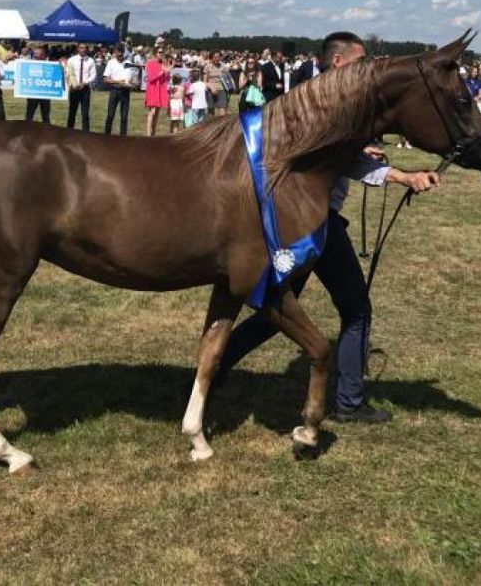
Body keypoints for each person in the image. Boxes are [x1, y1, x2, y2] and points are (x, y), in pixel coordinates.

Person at [216, 31, 442, 424]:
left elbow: (341, 155)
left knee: (276, 312)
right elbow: (342, 160)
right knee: (354, 309)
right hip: (313, 224)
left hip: (296, 220)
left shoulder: (313, 99)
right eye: (360, 61)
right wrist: (402, 177)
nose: (366, 69)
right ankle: (350, 402)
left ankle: (211, 370)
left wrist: (361, 150)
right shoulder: (328, 105)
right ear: (338, 63)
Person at [66, 43, 97, 131]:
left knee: (85, 113)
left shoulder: (90, 60)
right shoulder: (71, 60)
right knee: (72, 112)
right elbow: (68, 73)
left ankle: (86, 134)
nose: (83, 50)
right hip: (74, 89)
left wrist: (85, 82)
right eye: (81, 48)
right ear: (78, 49)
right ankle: (69, 132)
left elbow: (93, 75)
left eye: (85, 48)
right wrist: (73, 84)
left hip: (85, 89)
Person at [103, 46, 132, 135]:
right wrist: (117, 81)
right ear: (115, 52)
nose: (120, 54)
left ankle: (123, 138)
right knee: (110, 115)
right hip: (114, 90)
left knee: (124, 117)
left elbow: (133, 80)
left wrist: (132, 84)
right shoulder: (111, 63)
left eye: (122, 52)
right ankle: (107, 136)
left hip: (125, 91)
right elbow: (105, 79)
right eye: (118, 52)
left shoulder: (129, 63)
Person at [24, 45, 53, 124]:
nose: (35, 55)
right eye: (34, 53)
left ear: (43, 55)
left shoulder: (50, 65)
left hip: (45, 93)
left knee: (45, 116)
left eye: (37, 54)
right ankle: (27, 131)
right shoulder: (28, 64)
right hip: (32, 93)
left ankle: (47, 132)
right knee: (29, 115)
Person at [144, 47, 169, 136]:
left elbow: (167, 79)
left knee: (157, 112)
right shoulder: (150, 63)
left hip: (160, 89)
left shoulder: (163, 64)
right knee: (152, 111)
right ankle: (148, 133)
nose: (161, 54)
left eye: (162, 52)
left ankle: (153, 132)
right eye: (160, 52)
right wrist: (159, 74)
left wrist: (167, 72)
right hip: (153, 89)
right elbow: (150, 78)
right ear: (155, 53)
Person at [202, 51, 230, 116]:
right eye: (215, 57)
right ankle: (212, 125)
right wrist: (211, 87)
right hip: (210, 90)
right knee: (211, 110)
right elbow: (204, 81)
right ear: (211, 58)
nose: (217, 59)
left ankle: (222, 125)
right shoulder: (207, 67)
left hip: (222, 89)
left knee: (222, 110)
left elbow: (227, 79)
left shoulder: (223, 66)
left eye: (218, 57)